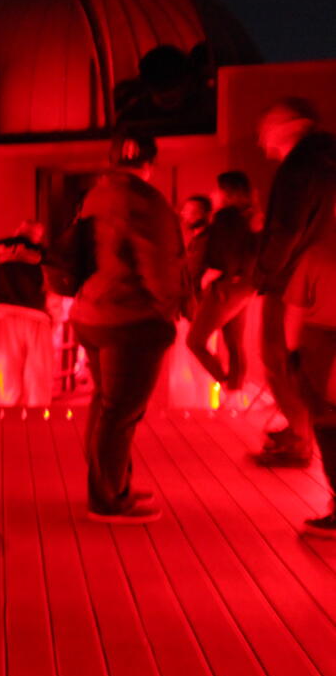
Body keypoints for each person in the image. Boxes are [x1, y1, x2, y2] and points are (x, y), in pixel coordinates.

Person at [70, 132, 186, 523]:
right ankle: (107, 499)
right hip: (131, 319)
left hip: (90, 313)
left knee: (106, 404)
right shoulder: (148, 202)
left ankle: (111, 484)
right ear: (149, 163)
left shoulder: (95, 194)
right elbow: (160, 265)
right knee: (120, 413)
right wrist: (168, 312)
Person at [254, 99, 336, 532]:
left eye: (267, 125)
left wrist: (266, 273)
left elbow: (285, 228)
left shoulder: (299, 168)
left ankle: (300, 438)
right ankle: (301, 435)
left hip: (300, 283)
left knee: (286, 361)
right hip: (326, 282)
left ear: (291, 127)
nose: (262, 136)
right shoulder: (327, 162)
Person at [185, 181, 258, 391]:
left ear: (227, 194)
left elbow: (224, 250)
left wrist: (213, 274)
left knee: (195, 341)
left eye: (217, 190)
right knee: (234, 343)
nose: (213, 194)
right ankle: (235, 389)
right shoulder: (249, 218)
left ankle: (225, 382)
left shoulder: (226, 218)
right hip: (244, 286)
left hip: (225, 287)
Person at [0, 220, 53, 407]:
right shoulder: (40, 253)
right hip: (36, 315)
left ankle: (10, 409)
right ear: (36, 235)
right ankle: (38, 411)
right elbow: (51, 279)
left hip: (6, 312)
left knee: (10, 365)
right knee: (38, 369)